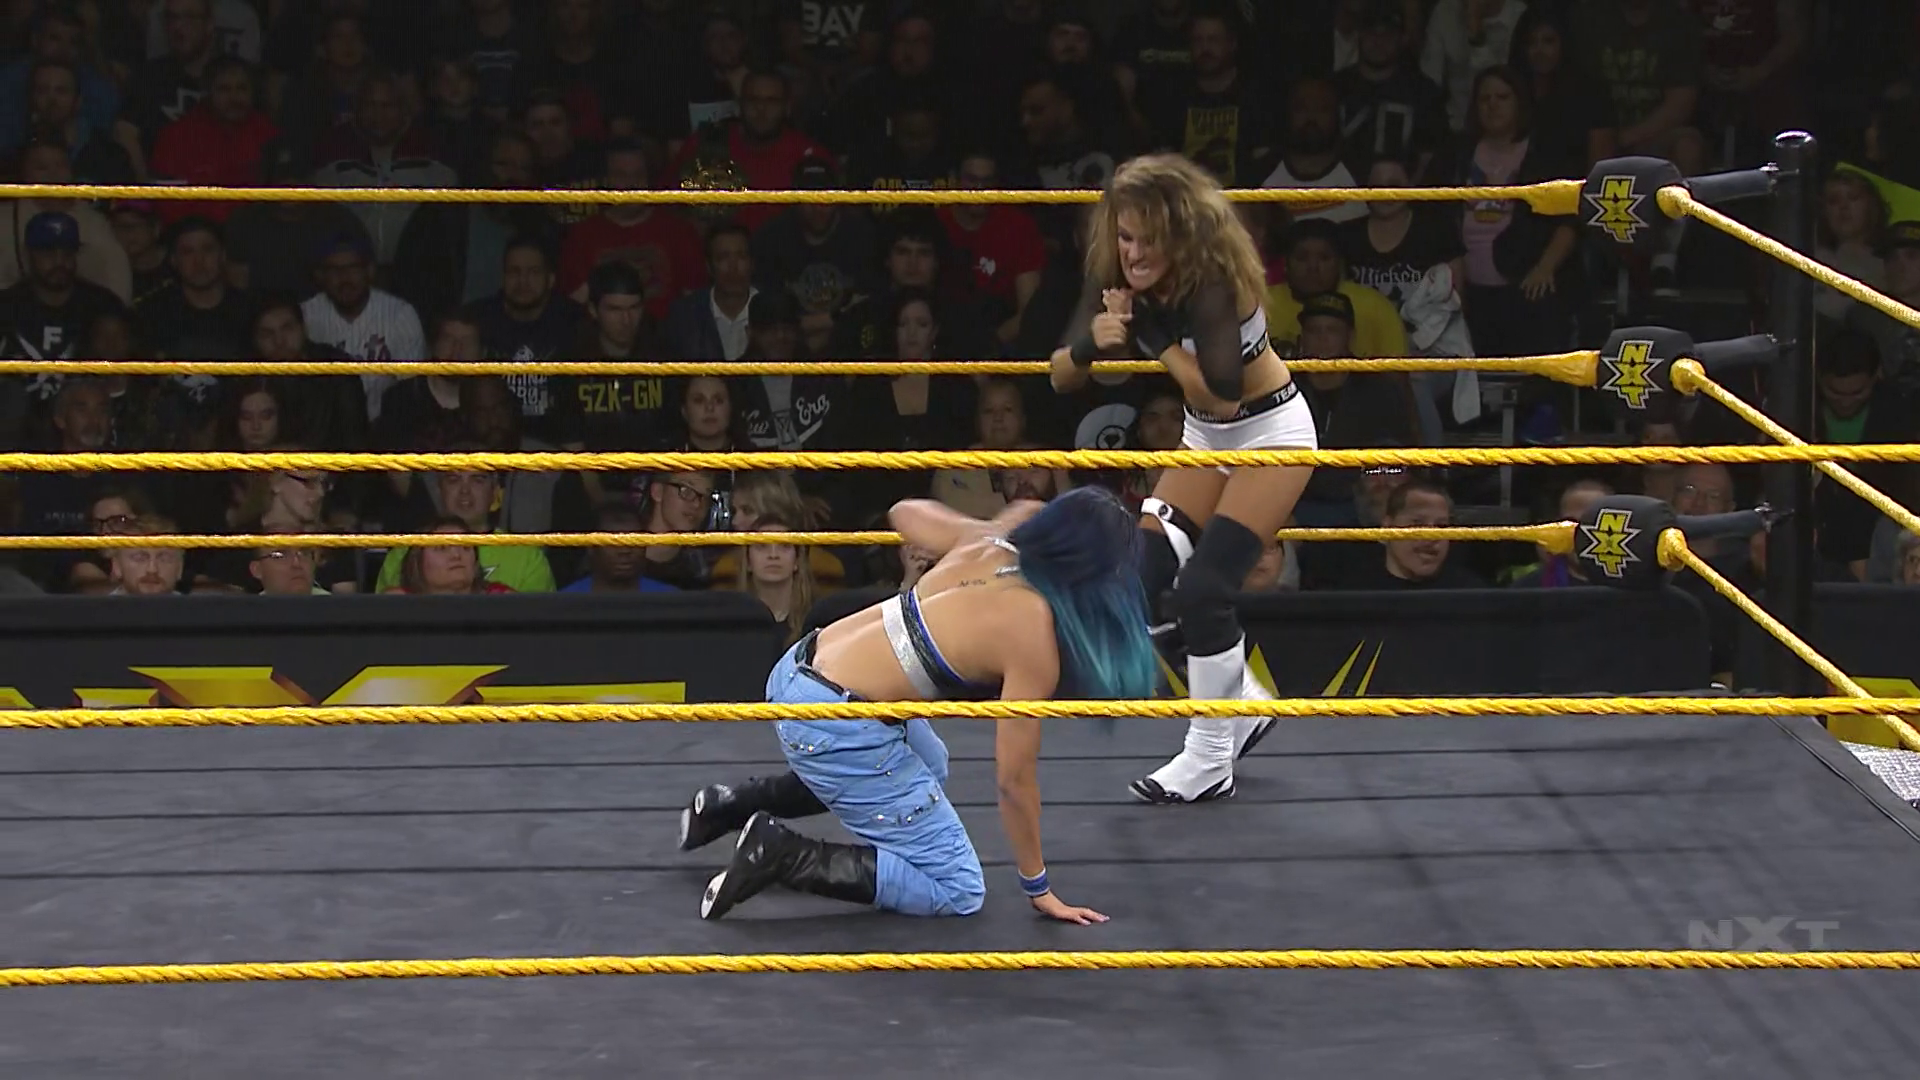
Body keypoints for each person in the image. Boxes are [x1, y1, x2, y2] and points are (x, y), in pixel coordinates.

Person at [680, 487, 1157, 923]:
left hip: (798, 670)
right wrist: (1039, 887)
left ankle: (728, 806)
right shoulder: (1032, 630)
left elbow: (903, 510)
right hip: (831, 721)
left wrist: (986, 528)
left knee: (931, 764)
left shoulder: (984, 545)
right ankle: (781, 853)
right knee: (957, 888)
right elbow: (1014, 779)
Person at [1050, 153, 1316, 805]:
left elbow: (1223, 394)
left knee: (1203, 590)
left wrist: (1153, 339)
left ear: (1182, 234)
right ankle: (1242, 700)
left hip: (1270, 433)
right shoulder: (1118, 274)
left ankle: (1209, 757)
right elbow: (1060, 376)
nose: (1134, 253)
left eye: (1149, 239)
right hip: (1205, 438)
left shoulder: (1214, 282)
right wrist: (1090, 344)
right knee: (1134, 581)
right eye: (1126, 236)